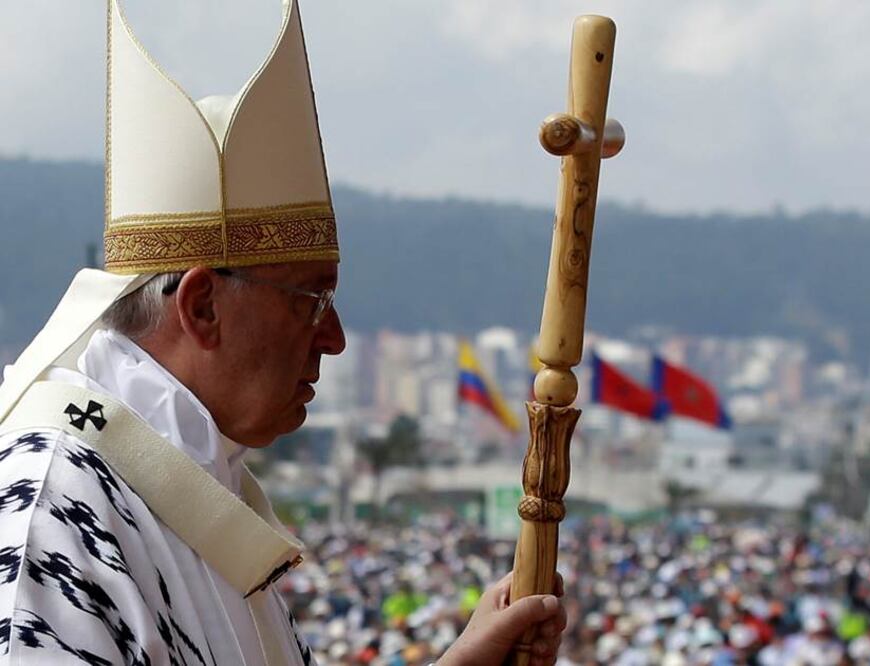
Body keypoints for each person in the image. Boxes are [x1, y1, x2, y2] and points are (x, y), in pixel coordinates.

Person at [0, 1, 565, 664]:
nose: (335, 339)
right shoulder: (46, 513)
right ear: (203, 306)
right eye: (312, 299)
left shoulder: (188, 482)